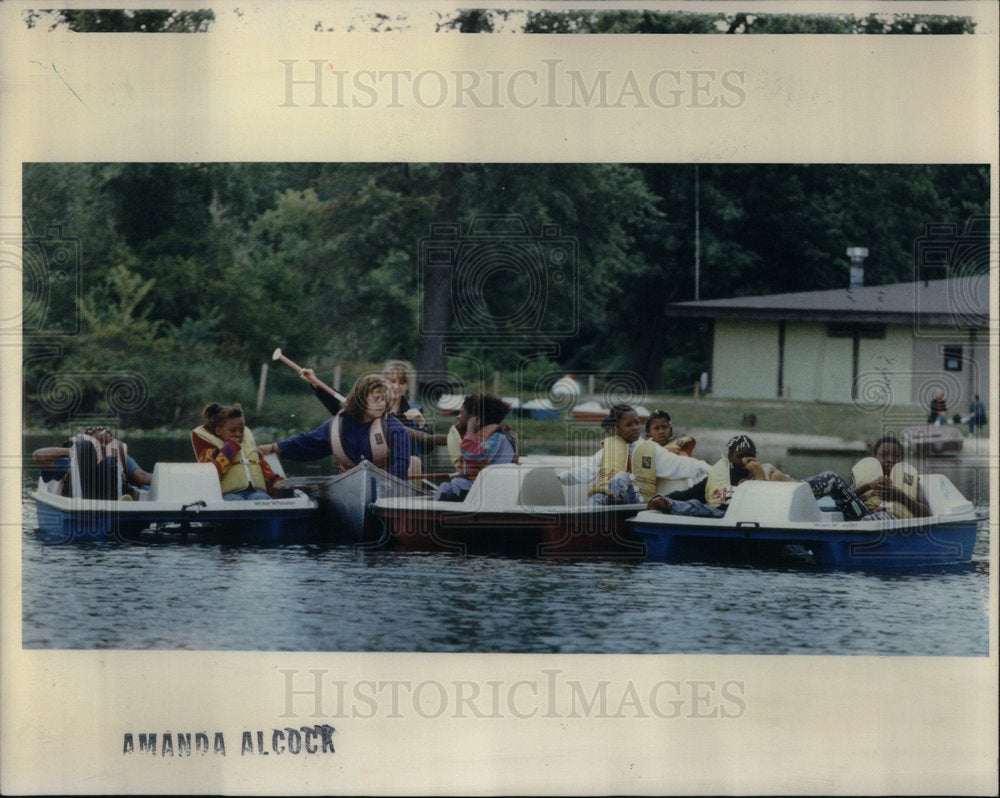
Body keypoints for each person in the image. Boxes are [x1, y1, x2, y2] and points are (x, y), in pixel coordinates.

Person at [262, 375, 411, 481]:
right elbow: (308, 442)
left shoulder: (395, 428)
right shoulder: (338, 424)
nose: (382, 404)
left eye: (384, 400)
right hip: (348, 483)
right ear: (361, 400)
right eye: (376, 399)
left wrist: (386, 489)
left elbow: (401, 465)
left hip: (385, 486)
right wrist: (274, 447)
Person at [558, 404, 711, 506]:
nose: (636, 428)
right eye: (629, 425)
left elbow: (680, 464)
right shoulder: (609, 449)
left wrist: (709, 469)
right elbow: (585, 471)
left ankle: (614, 500)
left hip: (635, 502)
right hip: (605, 498)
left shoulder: (651, 449)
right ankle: (589, 520)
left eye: (637, 423)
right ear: (616, 428)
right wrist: (560, 477)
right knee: (595, 500)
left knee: (621, 478)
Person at [646, 433, 792, 516]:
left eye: (751, 455)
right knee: (697, 506)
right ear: (730, 458)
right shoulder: (718, 476)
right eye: (740, 456)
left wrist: (758, 475)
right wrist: (666, 497)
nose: (746, 460)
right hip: (722, 515)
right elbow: (690, 493)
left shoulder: (764, 473)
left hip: (754, 517)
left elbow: (770, 503)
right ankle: (665, 504)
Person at [434, 394, 518, 501]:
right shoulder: (490, 437)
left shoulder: (496, 439)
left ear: (476, 420)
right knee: (448, 486)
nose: (458, 416)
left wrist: (470, 431)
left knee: (447, 488)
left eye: (461, 413)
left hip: (487, 490)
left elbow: (474, 458)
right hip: (482, 487)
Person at [192, 403, 285, 501]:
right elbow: (208, 478)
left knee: (263, 498)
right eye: (233, 430)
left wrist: (283, 485)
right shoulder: (209, 453)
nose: (238, 434)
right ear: (219, 430)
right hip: (227, 495)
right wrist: (228, 450)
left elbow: (269, 477)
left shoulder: (255, 453)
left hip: (255, 493)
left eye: (241, 430)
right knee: (235, 500)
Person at [33, 424, 152, 499]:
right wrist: (75, 451)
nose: (102, 446)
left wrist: (164, 478)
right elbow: (39, 455)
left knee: (110, 462)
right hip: (77, 500)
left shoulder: (120, 458)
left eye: (106, 443)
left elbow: (142, 477)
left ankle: (119, 505)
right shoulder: (72, 460)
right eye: (97, 443)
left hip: (113, 501)